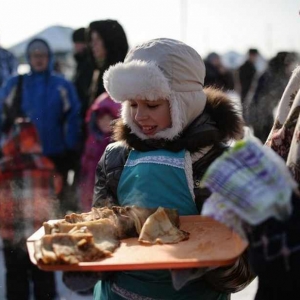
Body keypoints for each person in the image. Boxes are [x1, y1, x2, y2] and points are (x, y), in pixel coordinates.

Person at [63, 38, 254, 299]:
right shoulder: (115, 159)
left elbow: (246, 262)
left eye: (152, 105)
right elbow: (104, 231)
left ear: (184, 103)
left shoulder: (219, 164)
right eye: (132, 105)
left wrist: (218, 260)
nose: (140, 116)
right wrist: (88, 263)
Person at [0, 38, 81, 215]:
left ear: (49, 57)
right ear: (28, 57)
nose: (38, 59)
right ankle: (23, 239)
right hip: (23, 156)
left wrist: (69, 146)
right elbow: (2, 114)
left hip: (55, 155)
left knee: (55, 201)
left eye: (42, 55)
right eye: (34, 55)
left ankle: (56, 236)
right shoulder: (15, 84)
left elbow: (73, 117)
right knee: (26, 202)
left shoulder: (62, 85)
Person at [0, 119, 60, 300]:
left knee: (16, 278)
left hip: (12, 235)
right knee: (43, 277)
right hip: (40, 234)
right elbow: (55, 191)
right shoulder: (47, 166)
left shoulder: (4, 168)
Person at [80, 92, 120, 212]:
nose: (104, 123)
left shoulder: (118, 146)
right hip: (92, 183)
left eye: (109, 119)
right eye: (101, 119)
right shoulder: (93, 141)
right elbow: (86, 162)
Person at [248, 51, 298, 143]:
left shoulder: (271, 71)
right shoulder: (274, 75)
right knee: (266, 141)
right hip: (259, 114)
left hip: (263, 112)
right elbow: (284, 95)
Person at [87, 19, 128, 107]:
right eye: (92, 39)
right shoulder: (97, 72)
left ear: (110, 41)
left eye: (98, 39)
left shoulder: (124, 75)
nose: (93, 44)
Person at [72, 27, 94, 121]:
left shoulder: (88, 63)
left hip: (86, 114)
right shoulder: (81, 62)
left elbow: (86, 91)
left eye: (78, 42)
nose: (75, 46)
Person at [238, 49, 259, 118]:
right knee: (246, 111)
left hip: (251, 92)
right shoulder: (244, 67)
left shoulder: (253, 66)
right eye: (254, 56)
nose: (255, 58)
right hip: (246, 91)